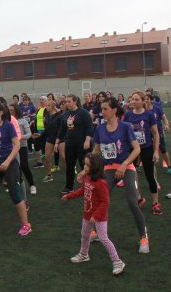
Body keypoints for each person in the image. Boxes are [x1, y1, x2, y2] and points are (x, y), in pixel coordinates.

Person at [92, 97, 149, 254]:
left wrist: (124, 164)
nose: (102, 112)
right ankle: (96, 232)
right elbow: (96, 151)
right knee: (99, 200)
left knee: (132, 202)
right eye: (101, 109)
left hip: (126, 167)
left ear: (114, 110)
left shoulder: (125, 127)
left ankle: (144, 237)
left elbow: (137, 149)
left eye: (105, 109)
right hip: (109, 168)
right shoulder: (100, 129)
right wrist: (87, 168)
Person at [62, 153, 125, 276]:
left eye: (87, 165)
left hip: (99, 217)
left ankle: (117, 261)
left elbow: (105, 202)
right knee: (84, 235)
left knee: (103, 238)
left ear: (95, 167)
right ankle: (84, 254)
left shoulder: (101, 183)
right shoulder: (88, 177)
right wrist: (69, 196)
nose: (84, 167)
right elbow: (83, 190)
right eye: (84, 164)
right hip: (87, 214)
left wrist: (95, 216)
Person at [0, 102, 32, 236]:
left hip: (10, 163)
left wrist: (8, 161)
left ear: (0, 113)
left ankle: (26, 225)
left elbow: (17, 145)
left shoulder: (8, 126)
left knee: (15, 194)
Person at [123, 91, 163, 215]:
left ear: (143, 101)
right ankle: (139, 197)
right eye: (132, 99)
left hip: (146, 148)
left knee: (150, 176)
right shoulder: (128, 114)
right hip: (132, 150)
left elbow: (155, 134)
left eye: (136, 99)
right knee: (131, 177)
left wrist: (156, 151)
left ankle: (155, 203)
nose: (133, 102)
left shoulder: (149, 115)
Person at [55, 94, 94, 194]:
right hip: (70, 144)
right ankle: (69, 186)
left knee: (85, 166)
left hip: (82, 144)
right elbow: (62, 129)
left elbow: (90, 126)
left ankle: (90, 185)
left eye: (69, 101)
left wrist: (87, 140)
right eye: (66, 102)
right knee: (70, 165)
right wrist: (57, 142)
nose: (67, 104)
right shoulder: (65, 114)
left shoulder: (83, 113)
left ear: (75, 101)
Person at [9, 103, 36, 194]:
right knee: (15, 168)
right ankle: (17, 186)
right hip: (11, 148)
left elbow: (29, 134)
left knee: (24, 166)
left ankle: (32, 185)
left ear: (16, 111)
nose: (10, 112)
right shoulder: (7, 121)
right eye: (9, 110)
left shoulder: (22, 121)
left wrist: (21, 137)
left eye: (12, 110)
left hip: (21, 146)